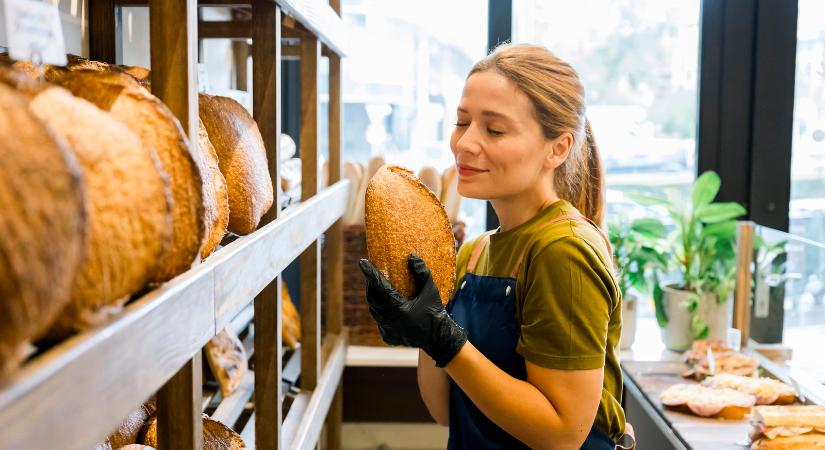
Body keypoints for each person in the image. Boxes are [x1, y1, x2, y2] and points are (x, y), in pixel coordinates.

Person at [359, 43, 634, 450]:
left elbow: (563, 435)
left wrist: (444, 340)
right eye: (461, 122)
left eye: (495, 129)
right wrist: (422, 330)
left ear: (558, 148)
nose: (465, 143)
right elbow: (445, 411)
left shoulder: (564, 251)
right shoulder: (474, 251)